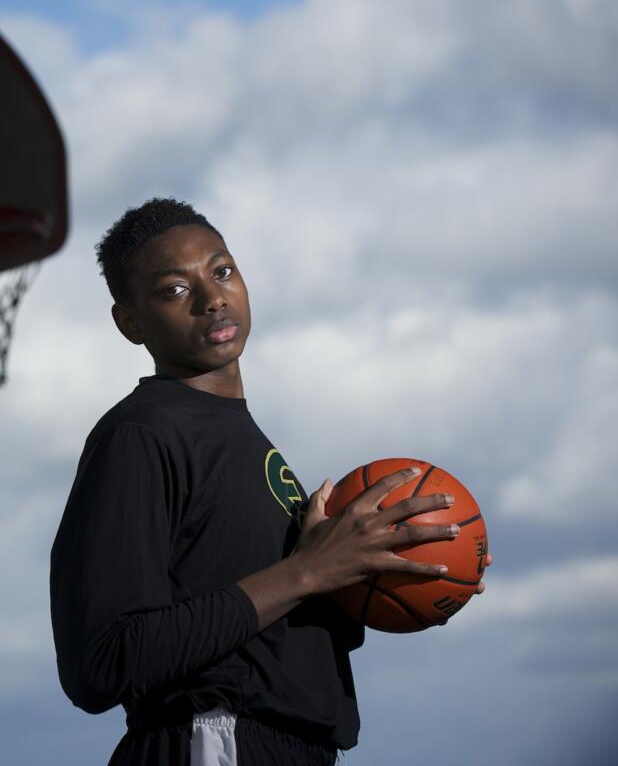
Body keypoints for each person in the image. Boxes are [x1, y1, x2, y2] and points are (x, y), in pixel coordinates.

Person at [49, 198, 488, 766]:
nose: (212, 298)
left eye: (222, 270)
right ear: (130, 322)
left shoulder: (249, 441)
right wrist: (305, 572)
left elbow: (270, 626)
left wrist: (416, 572)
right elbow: (102, 662)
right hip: (213, 739)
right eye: (175, 289)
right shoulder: (140, 433)